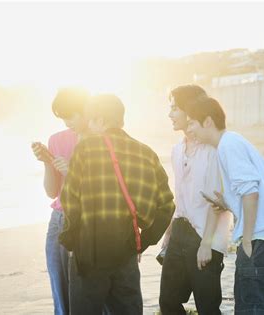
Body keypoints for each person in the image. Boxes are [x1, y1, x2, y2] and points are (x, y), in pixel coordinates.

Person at [59, 94, 175, 315]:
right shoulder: (146, 153)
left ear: (101, 120)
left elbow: (70, 199)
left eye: (91, 120)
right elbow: (167, 205)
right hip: (126, 251)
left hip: (88, 252)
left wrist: (70, 238)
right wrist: (143, 241)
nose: (89, 127)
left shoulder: (86, 148)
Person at [185, 96, 264, 314]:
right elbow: (248, 191)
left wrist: (248, 238)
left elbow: (251, 192)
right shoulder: (232, 141)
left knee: (252, 308)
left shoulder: (228, 145)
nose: (189, 129)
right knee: (255, 306)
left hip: (258, 239)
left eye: (192, 122)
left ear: (208, 121)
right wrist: (228, 203)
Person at [159, 85, 233, 315]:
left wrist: (206, 244)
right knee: (168, 302)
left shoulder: (213, 150)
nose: (169, 114)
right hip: (180, 230)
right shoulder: (177, 150)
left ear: (189, 110)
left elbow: (217, 202)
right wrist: (169, 232)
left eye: (174, 108)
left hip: (205, 234)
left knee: (208, 307)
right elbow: (180, 195)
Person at [31, 87, 89, 315]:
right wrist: (47, 161)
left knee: (88, 291)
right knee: (61, 291)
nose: (67, 122)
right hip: (59, 220)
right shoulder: (57, 140)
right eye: (62, 117)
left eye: (71, 115)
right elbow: (52, 191)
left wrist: (73, 170)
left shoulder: (100, 140)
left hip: (88, 219)